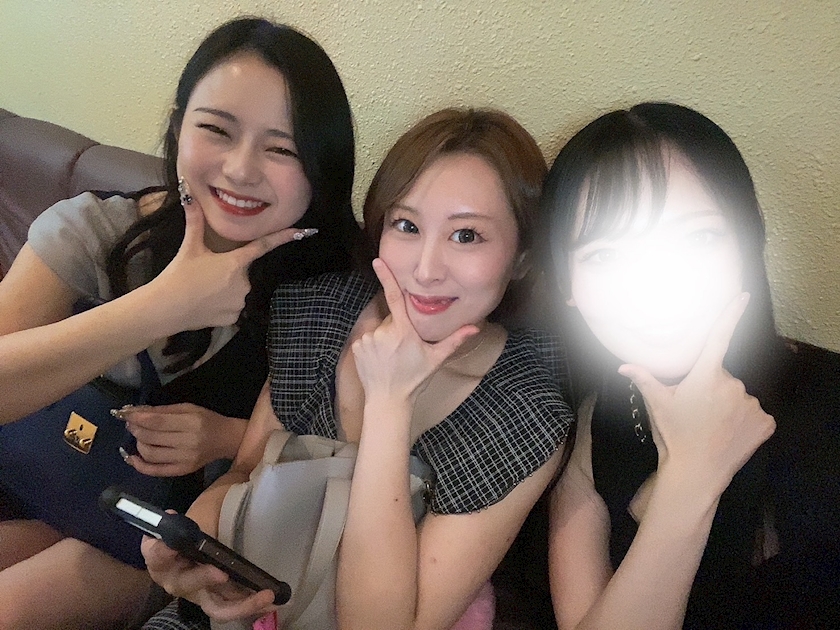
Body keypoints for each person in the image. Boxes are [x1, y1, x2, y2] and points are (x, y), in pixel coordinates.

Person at [141, 107, 574, 630]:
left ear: (522, 258)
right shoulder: (322, 313)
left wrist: (390, 402)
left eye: (467, 236)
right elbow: (244, 474)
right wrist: (194, 551)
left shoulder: (524, 414)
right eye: (407, 226)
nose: (425, 269)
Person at [0, 17, 365, 629]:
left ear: (321, 167)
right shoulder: (98, 233)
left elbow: (346, 457)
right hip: (33, 479)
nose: (241, 169)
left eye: (282, 148)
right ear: (178, 130)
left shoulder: (330, 297)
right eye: (216, 130)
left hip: (143, 541)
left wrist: (228, 438)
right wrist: (163, 305)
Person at [542, 102, 840, 629]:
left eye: (697, 238)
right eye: (605, 256)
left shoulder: (827, 410)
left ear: (751, 238)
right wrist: (691, 476)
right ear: (566, 284)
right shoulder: (596, 421)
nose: (653, 285)